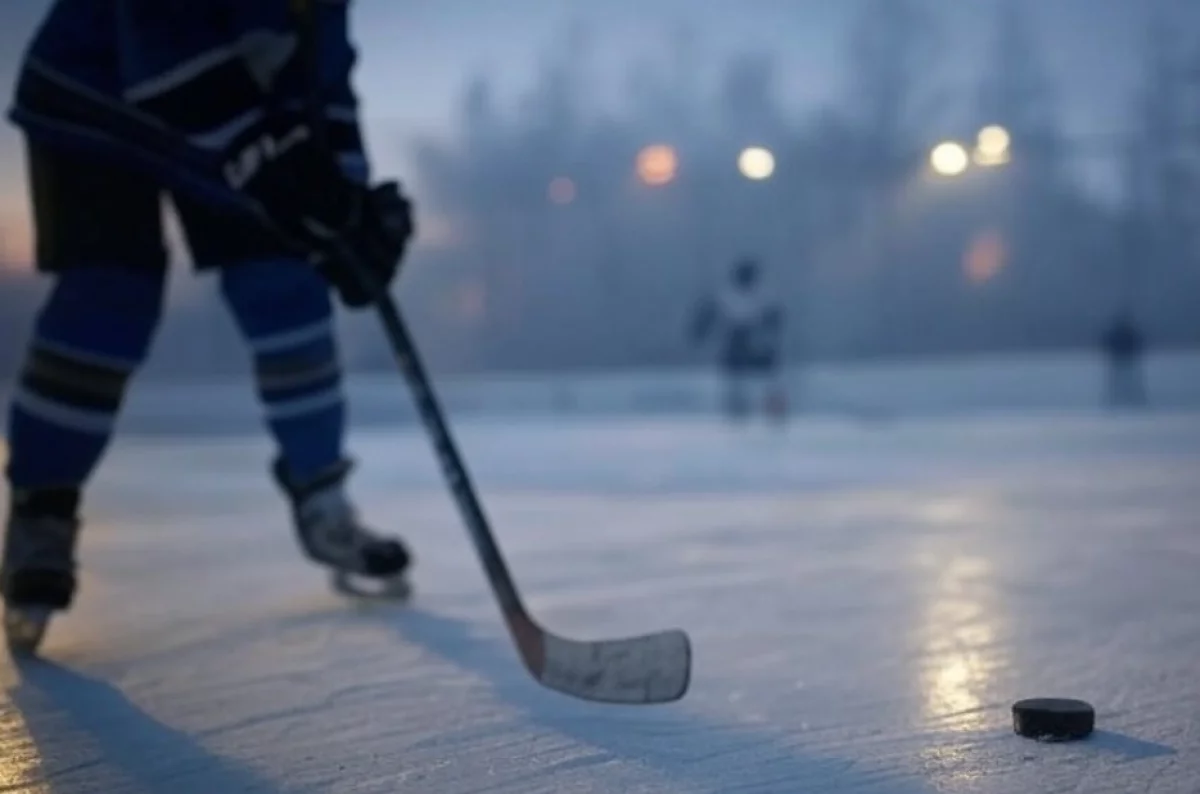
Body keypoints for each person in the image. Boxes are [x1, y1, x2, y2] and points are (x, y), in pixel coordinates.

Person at [2, 0, 417, 645]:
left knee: (284, 280)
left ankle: (322, 498)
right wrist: (279, 170)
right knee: (110, 294)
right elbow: (163, 51)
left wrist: (347, 209)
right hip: (91, 97)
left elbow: (322, 84)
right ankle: (42, 511)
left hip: (222, 104)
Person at [689, 257, 787, 421]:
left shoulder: (755, 296)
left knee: (757, 381)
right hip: (741, 344)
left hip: (749, 344)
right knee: (743, 382)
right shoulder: (756, 296)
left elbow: (776, 319)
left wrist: (699, 334)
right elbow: (705, 318)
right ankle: (741, 410)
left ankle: (763, 409)